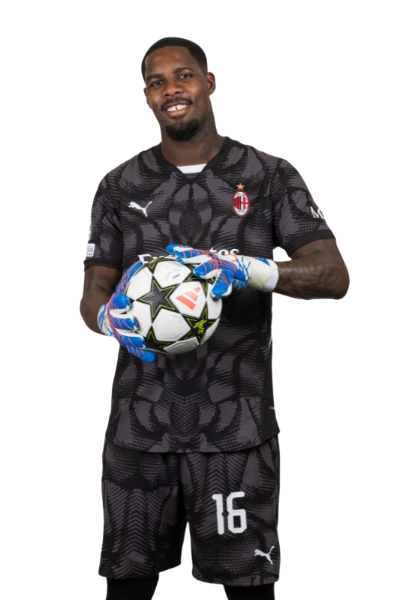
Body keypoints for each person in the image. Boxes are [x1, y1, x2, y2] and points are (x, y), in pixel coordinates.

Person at [80, 36, 350, 600]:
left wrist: (249, 268)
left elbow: (334, 276)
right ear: (147, 98)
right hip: (138, 428)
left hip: (237, 429)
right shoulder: (118, 184)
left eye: (183, 75)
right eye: (156, 82)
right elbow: (92, 292)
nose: (171, 90)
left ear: (209, 82)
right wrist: (108, 320)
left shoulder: (269, 173)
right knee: (127, 587)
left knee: (246, 591)